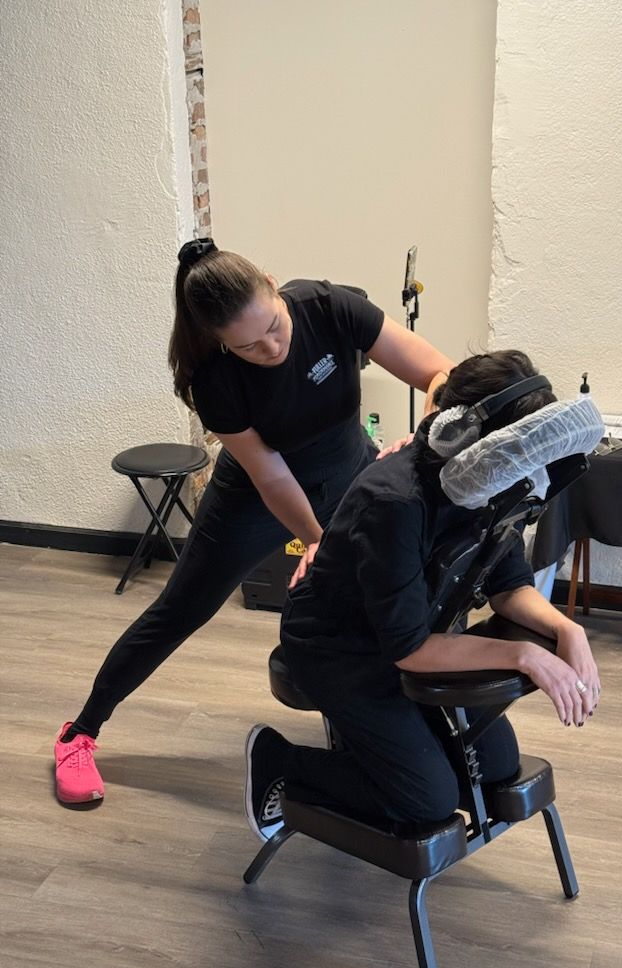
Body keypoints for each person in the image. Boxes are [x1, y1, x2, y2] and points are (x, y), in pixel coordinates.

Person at [54, 238, 454, 804]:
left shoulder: (327, 305)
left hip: (351, 473)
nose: (271, 347)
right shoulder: (213, 379)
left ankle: (384, 731)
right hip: (255, 502)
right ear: (219, 342)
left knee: (397, 592)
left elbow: (439, 372)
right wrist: (320, 541)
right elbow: (271, 478)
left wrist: (428, 433)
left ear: (272, 283)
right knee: (179, 611)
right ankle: (79, 734)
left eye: (273, 326)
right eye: (248, 345)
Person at [244, 350, 602, 839]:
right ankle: (279, 759)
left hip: (419, 632)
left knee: (496, 766)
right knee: (427, 800)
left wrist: (566, 628)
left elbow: (508, 586)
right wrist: (522, 655)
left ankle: (380, 748)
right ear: (460, 436)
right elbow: (409, 649)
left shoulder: (497, 479)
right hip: (340, 648)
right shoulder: (395, 501)